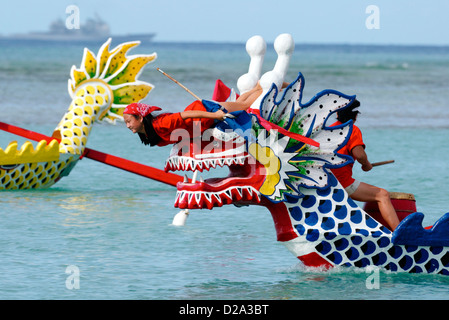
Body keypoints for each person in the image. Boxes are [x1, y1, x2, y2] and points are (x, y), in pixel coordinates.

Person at [330, 100, 400, 231]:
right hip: (342, 183)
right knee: (382, 194)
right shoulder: (352, 129)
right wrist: (366, 165)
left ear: (337, 115)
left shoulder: (329, 130)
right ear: (355, 116)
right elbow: (360, 155)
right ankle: (398, 232)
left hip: (326, 181)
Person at [123, 83, 263, 147]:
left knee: (243, 106)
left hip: (204, 111)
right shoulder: (150, 135)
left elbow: (188, 115)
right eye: (126, 123)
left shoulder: (161, 123)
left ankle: (261, 88)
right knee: (238, 104)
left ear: (140, 118)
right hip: (200, 124)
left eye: (129, 121)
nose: (128, 125)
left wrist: (215, 116)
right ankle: (256, 88)